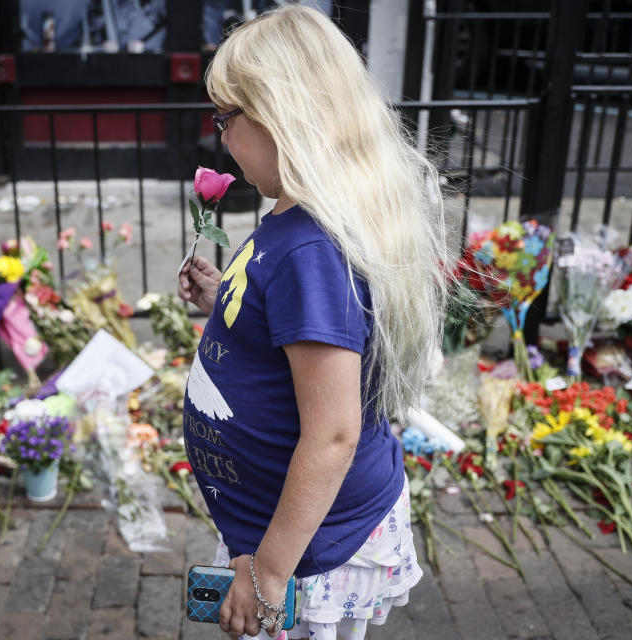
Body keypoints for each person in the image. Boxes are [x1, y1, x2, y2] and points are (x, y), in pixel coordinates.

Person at [178, 5, 450, 639]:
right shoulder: (290, 220)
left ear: (280, 115)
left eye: (228, 118)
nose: (221, 138)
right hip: (280, 531)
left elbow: (333, 434)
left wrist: (269, 573)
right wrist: (226, 298)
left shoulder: (311, 249)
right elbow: (295, 330)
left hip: (302, 544)